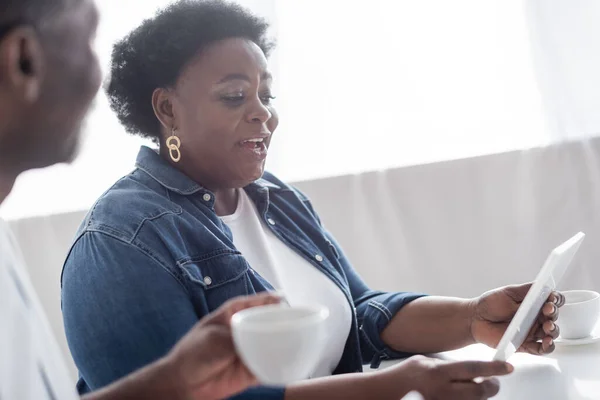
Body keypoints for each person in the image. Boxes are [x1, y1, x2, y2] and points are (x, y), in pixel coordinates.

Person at [60, 0, 564, 399]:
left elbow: (360, 316)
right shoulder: (120, 241)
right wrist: (387, 389)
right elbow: (190, 396)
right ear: (167, 108)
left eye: (266, 96)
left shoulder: (276, 199)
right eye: (235, 97)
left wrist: (473, 317)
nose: (264, 115)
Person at [0, 0, 283, 399]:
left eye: (266, 95)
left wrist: (173, 382)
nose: (99, 78)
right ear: (23, 59)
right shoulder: (119, 234)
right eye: (89, 40)